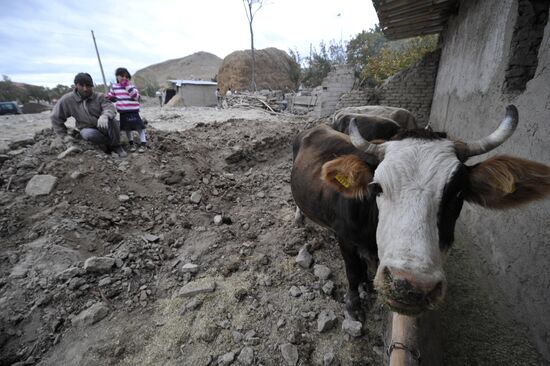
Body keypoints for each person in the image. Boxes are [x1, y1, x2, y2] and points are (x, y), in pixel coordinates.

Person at [51, 72, 127, 157]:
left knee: (113, 121)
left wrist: (105, 115)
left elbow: (110, 107)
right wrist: (64, 135)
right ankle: (106, 145)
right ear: (76, 85)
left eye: (88, 85)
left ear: (92, 86)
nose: (85, 89)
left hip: (103, 125)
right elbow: (55, 117)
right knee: (88, 134)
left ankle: (116, 146)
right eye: (81, 85)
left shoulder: (99, 96)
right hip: (86, 128)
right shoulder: (67, 100)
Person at [106, 67, 147, 153]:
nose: (124, 78)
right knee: (127, 128)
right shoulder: (114, 87)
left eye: (126, 76)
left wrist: (127, 87)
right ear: (117, 77)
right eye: (121, 76)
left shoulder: (132, 87)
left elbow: (136, 97)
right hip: (123, 112)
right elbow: (110, 95)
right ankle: (131, 144)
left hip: (134, 111)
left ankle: (143, 143)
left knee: (140, 127)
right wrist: (107, 96)